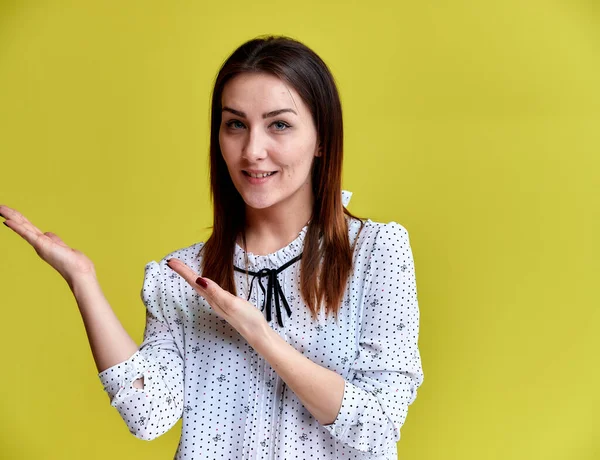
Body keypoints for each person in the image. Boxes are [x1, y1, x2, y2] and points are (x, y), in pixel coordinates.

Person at [0, 35, 424, 459]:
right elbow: (148, 415)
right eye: (235, 124)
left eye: (279, 124)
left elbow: (379, 424)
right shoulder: (183, 274)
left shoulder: (374, 251)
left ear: (322, 141)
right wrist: (82, 281)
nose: (252, 150)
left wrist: (260, 335)